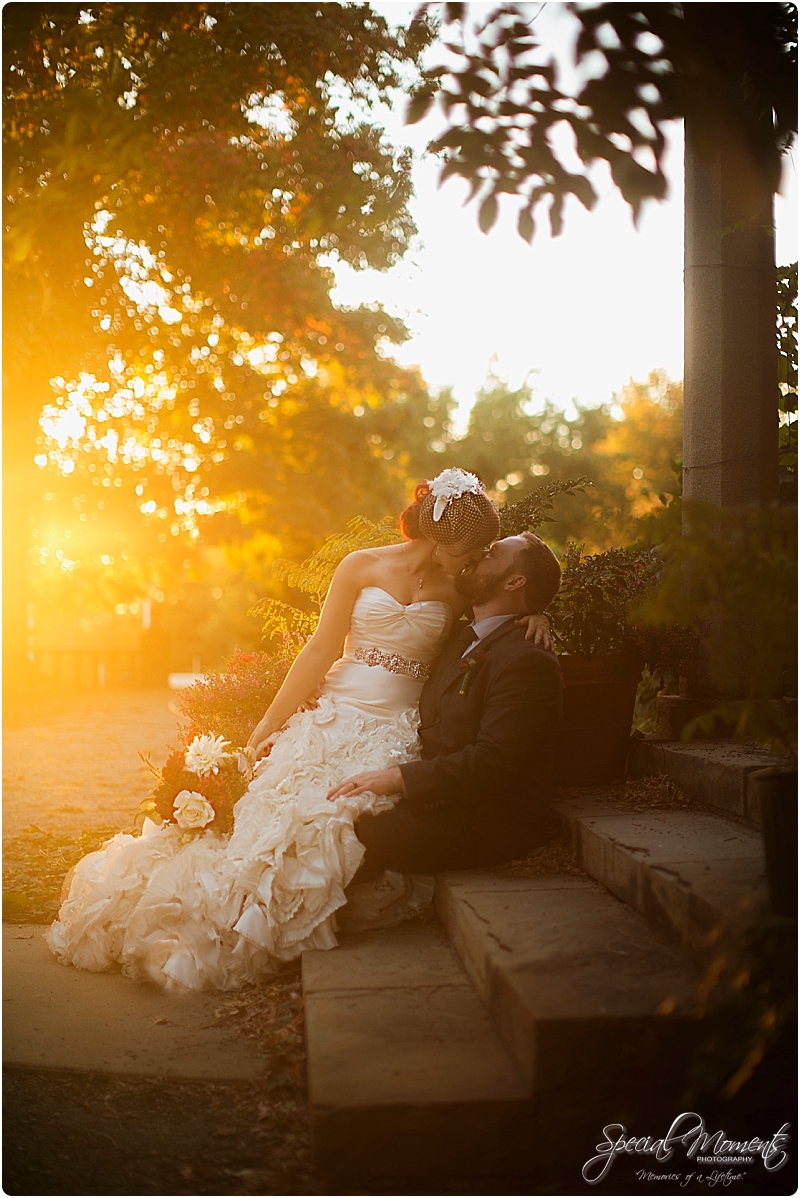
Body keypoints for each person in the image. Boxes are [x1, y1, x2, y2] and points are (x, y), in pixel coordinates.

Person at [47, 469, 552, 992]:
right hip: (332, 715)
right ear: (441, 538)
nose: (474, 562)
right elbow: (319, 648)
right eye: (469, 551)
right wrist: (270, 723)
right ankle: (213, 916)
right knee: (269, 820)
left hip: (392, 731)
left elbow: (505, 608)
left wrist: (540, 617)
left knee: (327, 824)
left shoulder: (459, 589)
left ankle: (260, 927)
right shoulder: (361, 565)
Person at [327, 532, 563, 881]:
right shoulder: (460, 636)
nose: (478, 552)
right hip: (438, 792)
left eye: (492, 553)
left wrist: (397, 778)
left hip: (482, 818)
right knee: (327, 805)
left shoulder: (528, 661)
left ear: (515, 581)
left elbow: (493, 761)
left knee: (354, 830)